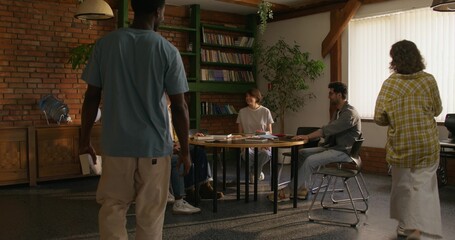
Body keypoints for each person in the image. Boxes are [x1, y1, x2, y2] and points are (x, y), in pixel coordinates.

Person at [78, 0, 191, 239]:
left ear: (134, 9)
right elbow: (179, 107)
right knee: (150, 214)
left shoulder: (105, 45)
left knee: (112, 209)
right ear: (158, 11)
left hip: (116, 146)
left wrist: (84, 139)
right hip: (154, 148)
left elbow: (91, 98)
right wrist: (186, 150)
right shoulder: (168, 50)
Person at [374, 40, 443, 240]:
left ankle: (405, 226)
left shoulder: (390, 83)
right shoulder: (428, 80)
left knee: (402, 187)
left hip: (401, 145)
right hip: (426, 145)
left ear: (394, 60)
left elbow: (379, 117)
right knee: (423, 188)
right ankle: (417, 228)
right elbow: (437, 109)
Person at [268, 82, 361, 202]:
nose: (329, 96)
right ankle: (301, 188)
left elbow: (327, 130)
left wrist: (307, 137)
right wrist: (309, 137)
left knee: (310, 161)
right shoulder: (338, 112)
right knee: (302, 153)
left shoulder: (349, 114)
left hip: (344, 151)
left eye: (331, 93)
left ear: (339, 95)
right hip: (333, 148)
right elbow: (327, 130)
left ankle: (288, 191)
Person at [236, 88, 274, 183]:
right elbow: (240, 133)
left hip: (263, 144)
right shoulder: (242, 112)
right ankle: (257, 173)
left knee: (265, 154)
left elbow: (269, 132)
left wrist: (267, 145)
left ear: (257, 97)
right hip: (248, 144)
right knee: (246, 153)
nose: (247, 98)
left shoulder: (265, 111)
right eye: (246, 96)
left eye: (250, 96)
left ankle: (254, 173)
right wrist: (242, 146)